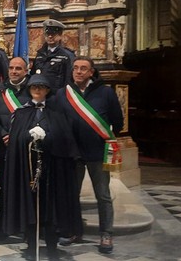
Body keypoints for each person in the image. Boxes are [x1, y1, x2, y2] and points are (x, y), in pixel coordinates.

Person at [1, 74, 82, 260]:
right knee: (30, 206)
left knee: (50, 209)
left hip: (52, 170)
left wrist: (47, 138)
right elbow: (16, 140)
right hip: (27, 169)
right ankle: (31, 245)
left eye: (41, 87)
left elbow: (64, 139)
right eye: (34, 87)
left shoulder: (56, 113)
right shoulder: (21, 113)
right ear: (29, 90)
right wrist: (29, 138)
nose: (37, 90)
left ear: (47, 90)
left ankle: (52, 246)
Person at [55, 56, 124, 254]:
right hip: (72, 154)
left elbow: (117, 121)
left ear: (91, 72)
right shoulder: (63, 94)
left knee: (103, 195)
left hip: (96, 152)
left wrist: (103, 139)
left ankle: (106, 233)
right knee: (71, 195)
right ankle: (73, 231)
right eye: (75, 68)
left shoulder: (105, 92)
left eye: (83, 68)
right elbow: (58, 121)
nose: (78, 72)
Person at [0, 57, 32, 238]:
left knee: (25, 185)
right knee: (5, 185)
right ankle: (5, 224)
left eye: (18, 68)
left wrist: (20, 137)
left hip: (26, 146)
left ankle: (25, 225)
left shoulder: (32, 89)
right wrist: (2, 134)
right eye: (11, 68)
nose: (14, 71)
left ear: (26, 70)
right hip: (4, 145)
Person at [31, 19, 76, 93]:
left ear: (60, 36)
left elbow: (69, 79)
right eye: (47, 34)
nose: (50, 36)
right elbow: (34, 74)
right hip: (40, 94)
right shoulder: (40, 54)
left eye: (53, 34)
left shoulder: (66, 55)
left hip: (57, 95)